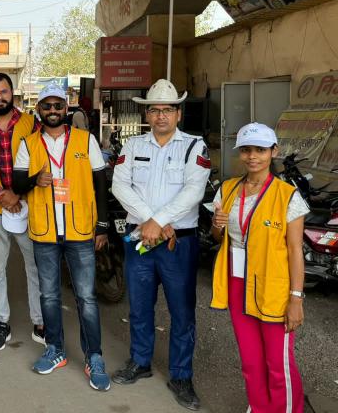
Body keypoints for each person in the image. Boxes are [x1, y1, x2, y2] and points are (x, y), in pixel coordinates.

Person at [111, 79, 210, 411]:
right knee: (139, 307)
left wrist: (158, 221)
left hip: (177, 245)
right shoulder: (132, 146)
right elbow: (120, 187)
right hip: (142, 240)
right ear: (147, 114)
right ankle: (140, 362)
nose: (161, 116)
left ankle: (181, 375)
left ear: (178, 113)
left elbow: (194, 191)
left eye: (168, 109)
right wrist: (150, 222)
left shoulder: (194, 146)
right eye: (154, 110)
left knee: (182, 312)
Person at [12, 84, 111, 390]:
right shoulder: (29, 144)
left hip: (80, 229)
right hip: (44, 231)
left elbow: (100, 184)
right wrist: (33, 180)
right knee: (50, 296)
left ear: (65, 109)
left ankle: (94, 356)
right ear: (38, 110)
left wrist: (103, 226)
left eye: (57, 106)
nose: (52, 111)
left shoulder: (85, 139)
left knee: (86, 297)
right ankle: (55, 350)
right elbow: (17, 184)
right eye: (46, 106)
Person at [210, 123, 306, 413]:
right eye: (247, 150)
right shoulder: (227, 190)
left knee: (278, 363)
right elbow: (219, 237)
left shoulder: (287, 196)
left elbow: (294, 250)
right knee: (251, 361)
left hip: (274, 286)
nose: (253, 156)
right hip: (237, 283)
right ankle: (260, 407)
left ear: (273, 152)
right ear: (240, 153)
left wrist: (296, 298)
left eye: (261, 150)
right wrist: (217, 227)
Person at [0, 72, 44, 349]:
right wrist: (0, 194)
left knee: (35, 265)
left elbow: (41, 163)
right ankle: (1, 322)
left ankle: (40, 322)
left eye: (4, 92)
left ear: (12, 93)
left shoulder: (31, 124)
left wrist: (18, 193)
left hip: (27, 204)